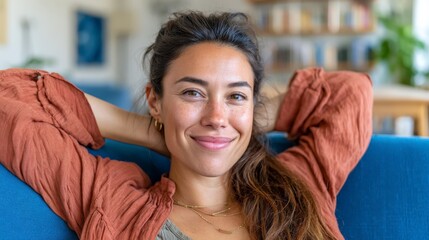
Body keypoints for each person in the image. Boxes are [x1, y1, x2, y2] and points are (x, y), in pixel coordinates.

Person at [0, 11, 372, 240]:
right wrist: (154, 130)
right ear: (155, 100)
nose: (215, 116)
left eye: (236, 95)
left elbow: (350, 94)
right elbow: (7, 97)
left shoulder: (298, 184)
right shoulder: (112, 199)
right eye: (193, 93)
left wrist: (240, 125)